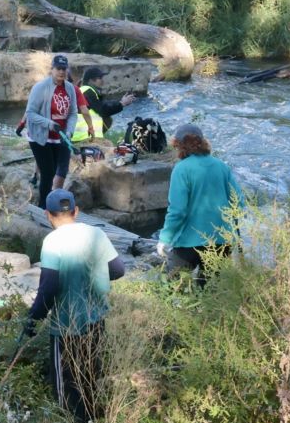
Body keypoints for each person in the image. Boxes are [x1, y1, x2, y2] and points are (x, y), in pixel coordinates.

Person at [21, 189, 127, 423]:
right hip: (96, 318)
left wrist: (33, 319)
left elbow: (48, 288)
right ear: (76, 211)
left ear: (48, 215)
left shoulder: (53, 241)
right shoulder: (96, 234)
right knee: (91, 373)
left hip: (66, 325)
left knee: (65, 383)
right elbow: (118, 270)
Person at [157, 123, 243, 285]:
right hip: (221, 241)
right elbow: (238, 204)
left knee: (170, 287)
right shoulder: (222, 166)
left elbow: (178, 211)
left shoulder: (181, 169)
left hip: (189, 243)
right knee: (208, 292)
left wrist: (165, 238)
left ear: (177, 145)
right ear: (204, 143)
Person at [23, 54, 78, 204]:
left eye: (64, 69)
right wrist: (49, 123)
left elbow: (73, 113)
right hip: (40, 136)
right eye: (58, 69)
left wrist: (69, 131)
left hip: (60, 136)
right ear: (52, 69)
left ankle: (50, 204)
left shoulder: (70, 89)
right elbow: (30, 113)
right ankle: (44, 207)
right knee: (47, 173)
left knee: (56, 171)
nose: (61, 72)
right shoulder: (40, 87)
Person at [69, 65, 141, 143]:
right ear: (91, 80)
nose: (102, 81)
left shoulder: (83, 90)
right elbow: (102, 110)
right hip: (84, 137)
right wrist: (122, 103)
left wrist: (120, 102)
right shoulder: (88, 91)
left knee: (108, 120)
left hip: (82, 136)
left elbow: (102, 105)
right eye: (100, 78)